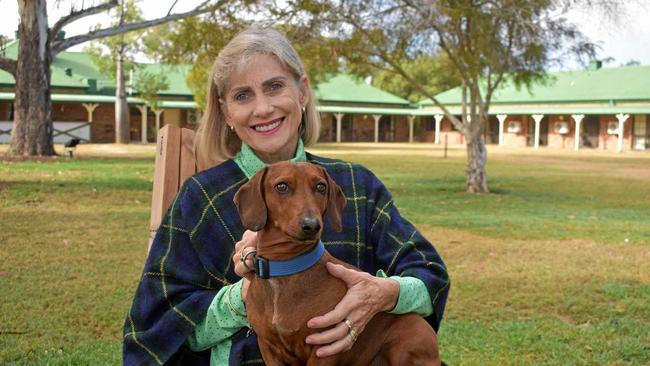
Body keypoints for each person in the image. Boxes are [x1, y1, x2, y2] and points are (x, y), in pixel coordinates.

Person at [123, 25, 450, 366]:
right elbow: (160, 323)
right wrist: (242, 297)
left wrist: (382, 294)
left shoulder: (356, 185)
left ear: (303, 93)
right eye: (242, 96)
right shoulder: (200, 197)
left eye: (275, 87)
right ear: (225, 112)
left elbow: (428, 274)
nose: (262, 109)